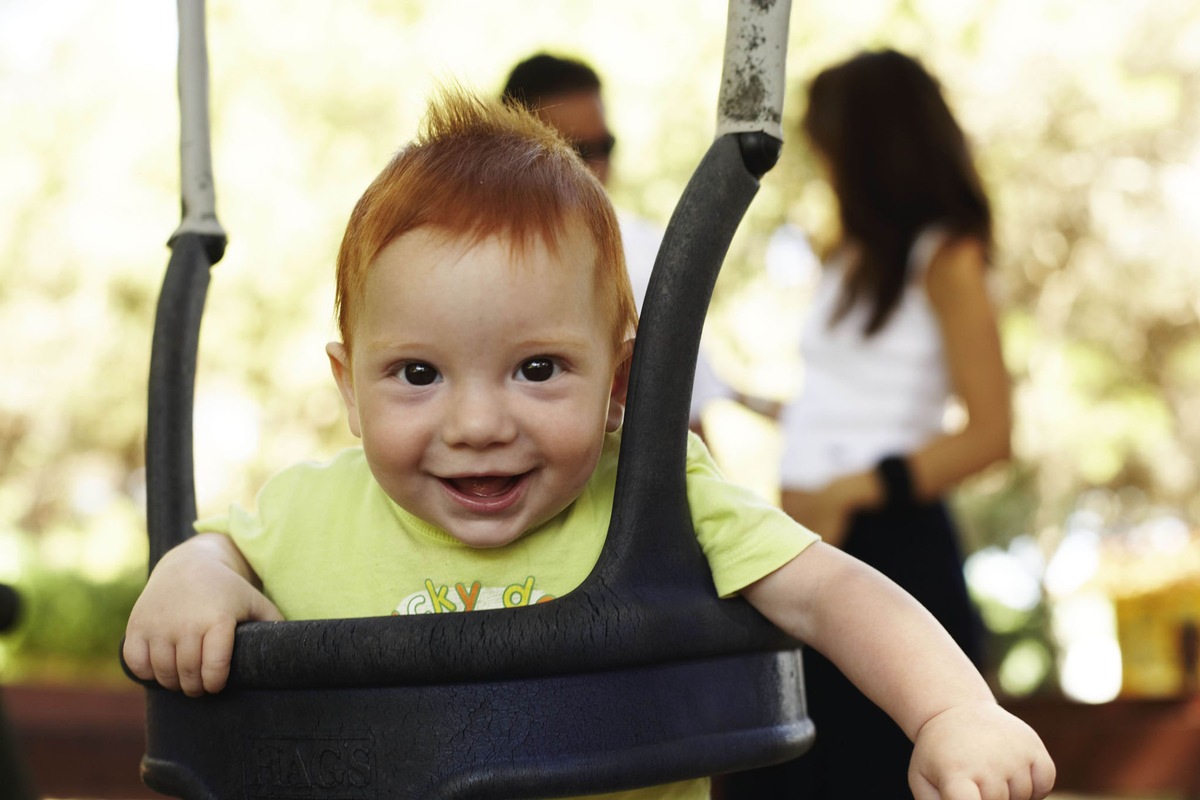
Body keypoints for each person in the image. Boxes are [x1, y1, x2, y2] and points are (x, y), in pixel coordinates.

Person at [123, 85, 1054, 800]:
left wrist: (953, 711)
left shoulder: (657, 495)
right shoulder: (308, 508)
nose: (478, 426)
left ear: (619, 384)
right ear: (348, 389)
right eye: (417, 375)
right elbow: (220, 549)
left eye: (537, 370)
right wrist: (190, 578)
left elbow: (833, 593)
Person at [719, 49, 1015, 799]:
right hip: (814, 543)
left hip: (890, 550)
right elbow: (847, 401)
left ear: (871, 144)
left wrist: (854, 491)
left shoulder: (947, 255)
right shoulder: (849, 258)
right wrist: (743, 399)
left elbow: (990, 433)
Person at [500, 52, 734, 436]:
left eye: (604, 146)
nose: (595, 167)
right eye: (574, 150)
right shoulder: (461, 255)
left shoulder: (648, 255)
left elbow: (686, 425)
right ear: (512, 149)